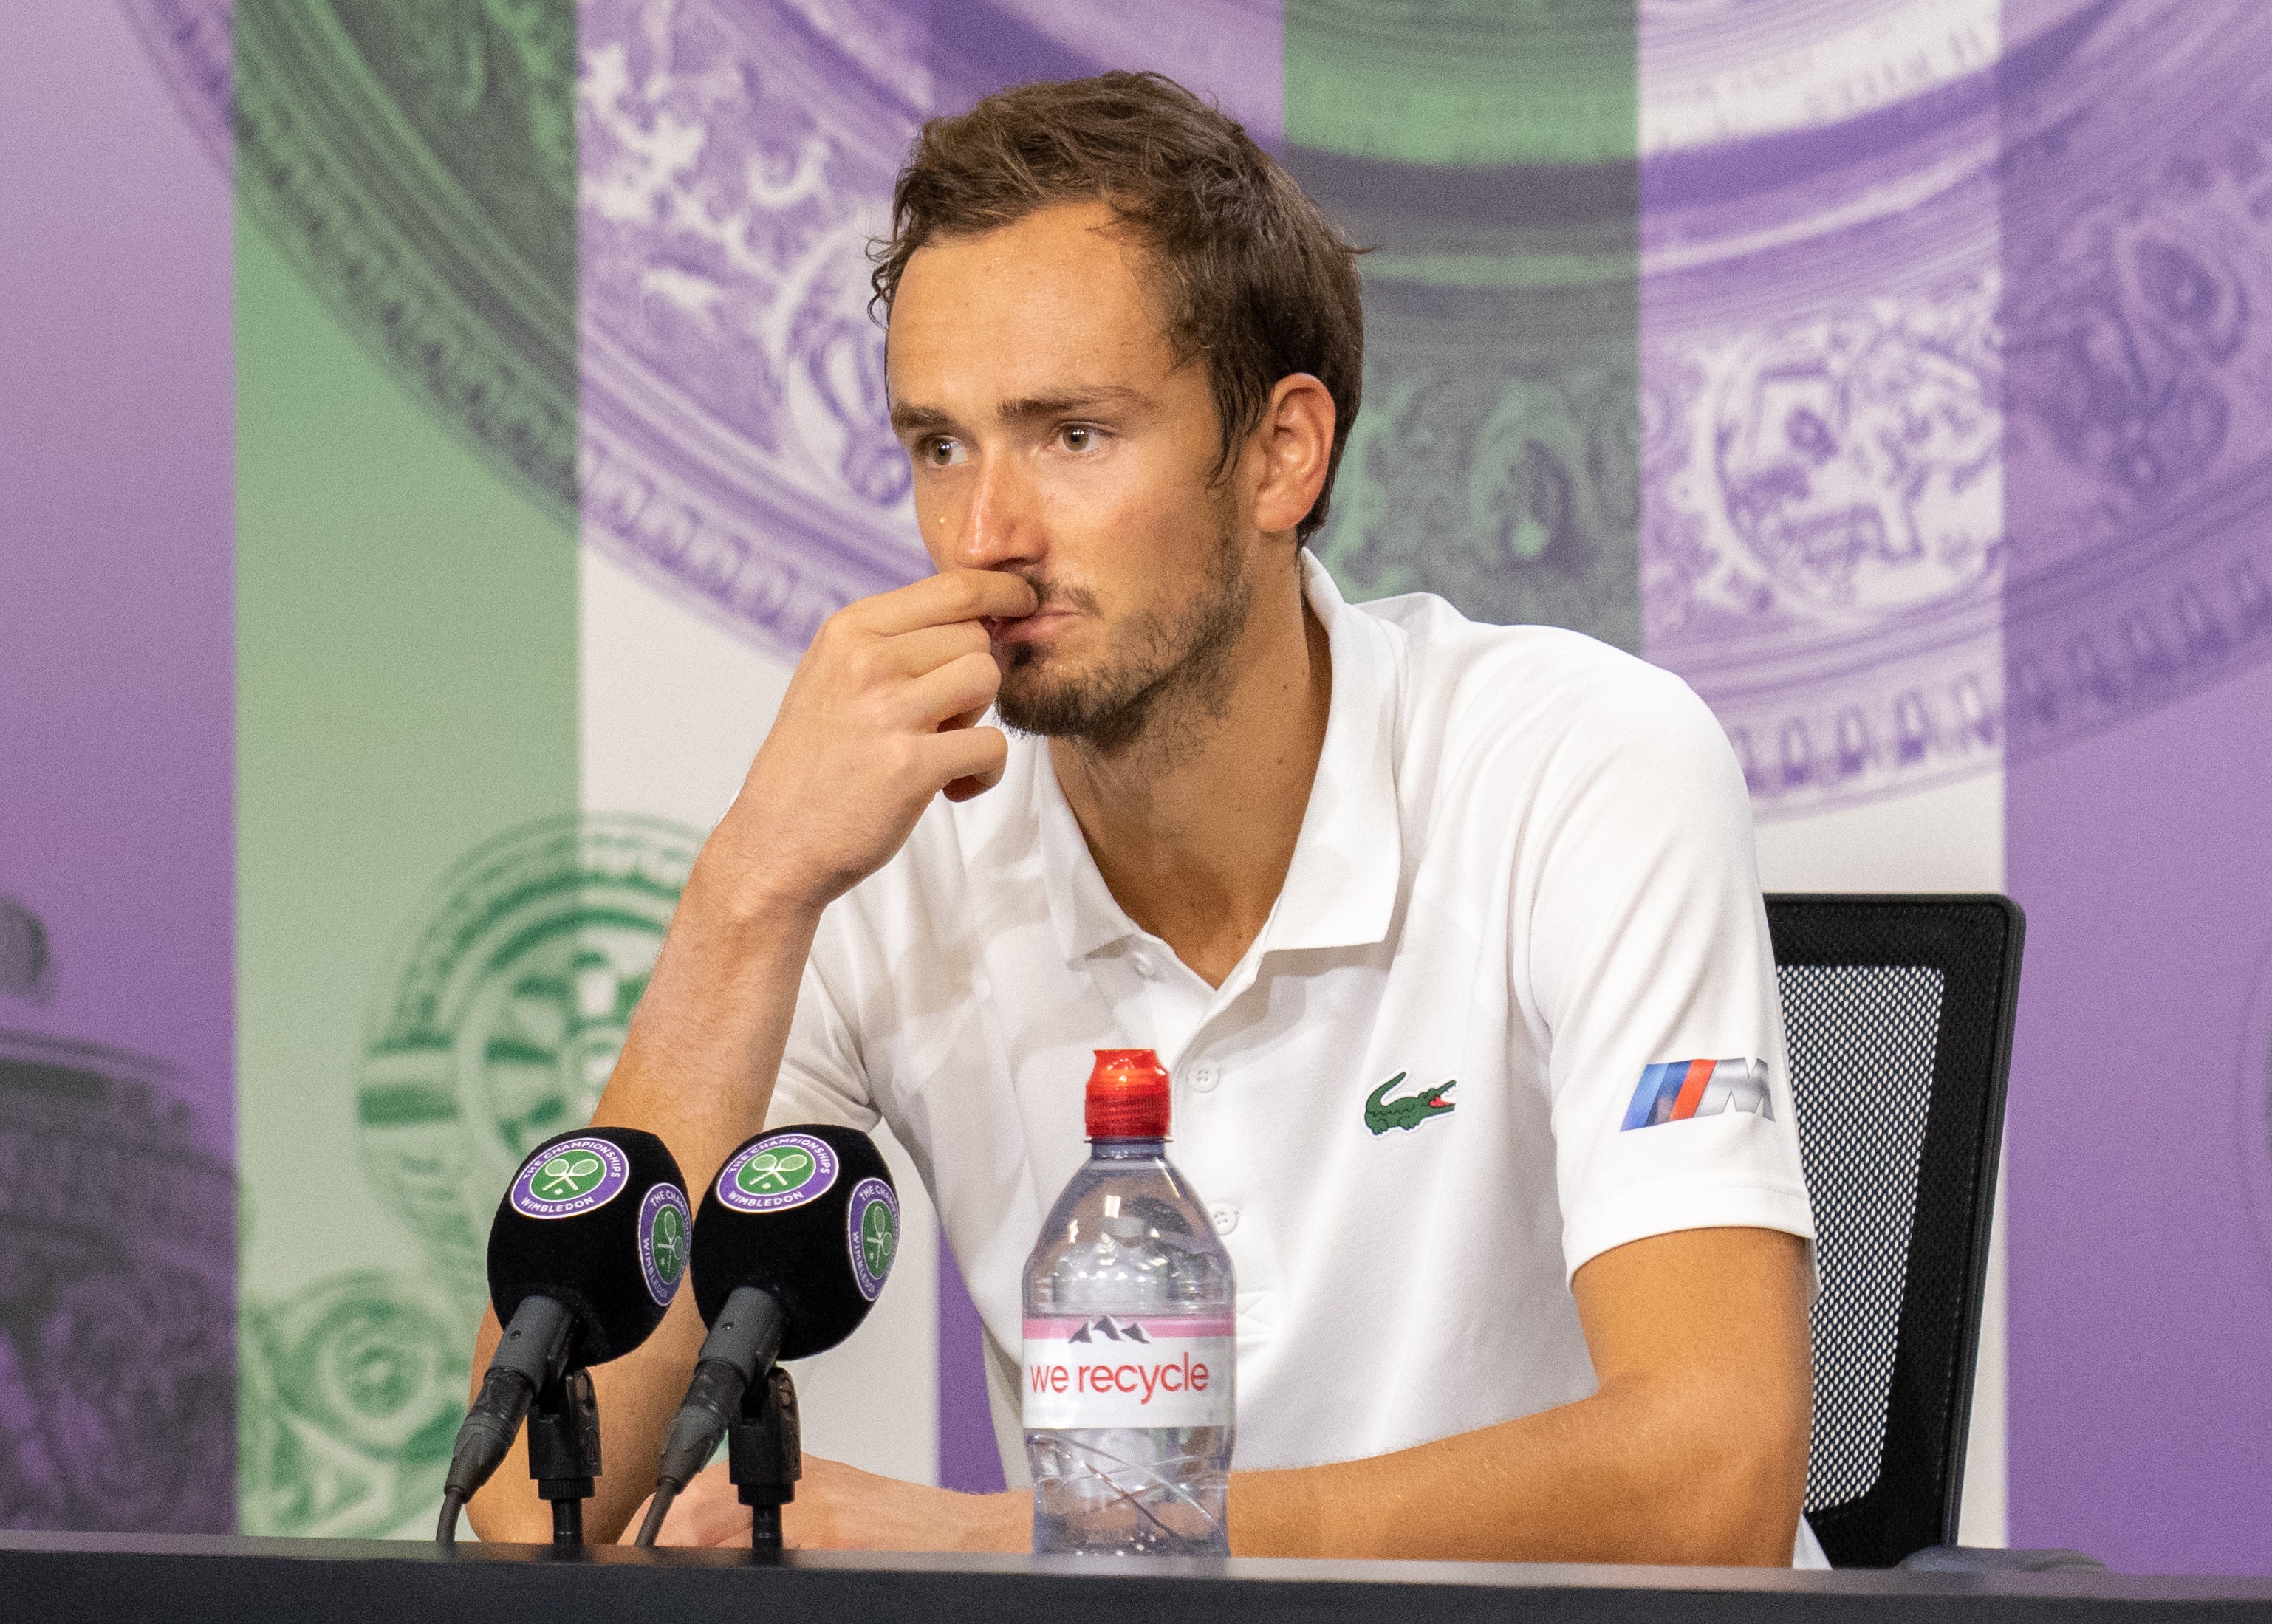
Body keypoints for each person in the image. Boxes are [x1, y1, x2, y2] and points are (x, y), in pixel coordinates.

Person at [465, 69, 1820, 1566]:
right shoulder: (882, 846)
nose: (987, 535)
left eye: (1072, 435)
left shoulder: (1581, 762)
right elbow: (542, 1493)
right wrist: (748, 887)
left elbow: (1715, 1470)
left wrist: (1041, 1537)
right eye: (939, 445)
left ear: (1278, 452)